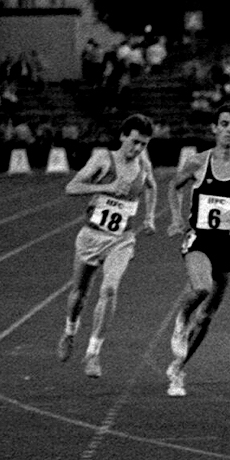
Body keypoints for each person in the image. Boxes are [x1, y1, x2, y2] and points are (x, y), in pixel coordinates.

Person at [58, 114, 158, 377]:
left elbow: (151, 186)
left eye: (143, 145)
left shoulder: (143, 163)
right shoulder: (104, 158)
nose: (137, 149)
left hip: (121, 239)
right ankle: (70, 331)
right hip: (91, 236)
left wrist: (148, 216)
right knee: (79, 294)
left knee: (110, 288)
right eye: (134, 142)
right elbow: (71, 187)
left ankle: (93, 353)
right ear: (123, 136)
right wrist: (109, 185)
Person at [164, 103, 230, 397]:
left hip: (227, 244)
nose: (229, 129)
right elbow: (172, 187)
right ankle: (180, 319)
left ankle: (178, 369)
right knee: (201, 288)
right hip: (199, 239)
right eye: (224, 124)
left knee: (207, 316)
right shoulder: (198, 162)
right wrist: (177, 218)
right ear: (215, 128)